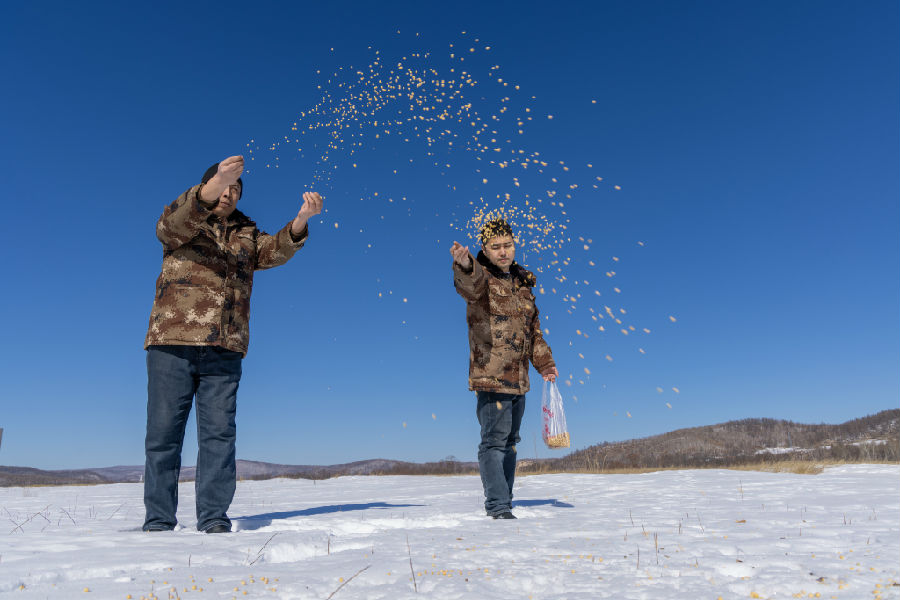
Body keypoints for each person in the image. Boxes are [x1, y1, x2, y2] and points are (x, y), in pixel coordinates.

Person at [142, 155, 322, 533]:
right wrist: (218, 179)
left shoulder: (246, 233)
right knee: (164, 435)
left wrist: (302, 219)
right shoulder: (184, 218)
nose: (229, 193)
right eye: (224, 186)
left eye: (236, 189)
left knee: (219, 436)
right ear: (210, 186)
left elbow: (274, 251)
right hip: (173, 341)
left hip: (225, 346)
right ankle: (158, 522)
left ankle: (213, 518)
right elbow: (168, 229)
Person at [450, 218, 559, 519]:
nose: (502, 252)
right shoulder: (482, 277)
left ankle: (505, 501)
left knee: (511, 443)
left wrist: (545, 364)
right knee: (494, 442)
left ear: (514, 245)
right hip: (491, 375)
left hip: (518, 379)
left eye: (507, 245)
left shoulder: (522, 286)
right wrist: (464, 264)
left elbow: (533, 332)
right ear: (485, 250)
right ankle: (497, 506)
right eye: (495, 247)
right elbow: (470, 285)